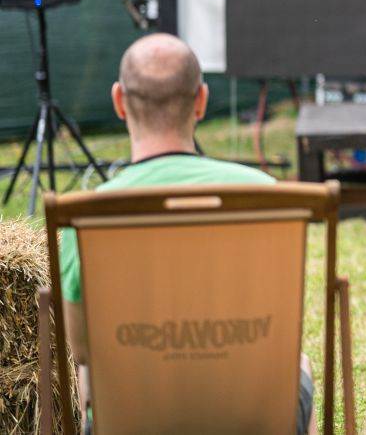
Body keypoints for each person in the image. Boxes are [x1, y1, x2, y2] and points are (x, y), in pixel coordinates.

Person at [57, 34, 316, 435]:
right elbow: (278, 330)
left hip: (136, 421)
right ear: (201, 100)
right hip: (249, 419)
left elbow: (81, 348)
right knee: (296, 361)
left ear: (119, 102)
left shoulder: (86, 213)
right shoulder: (264, 193)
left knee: (90, 376)